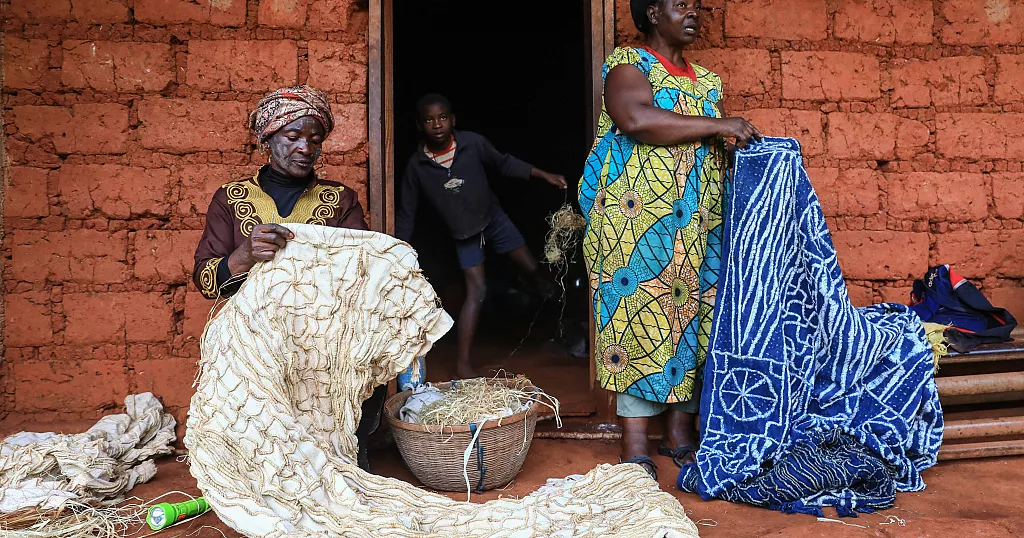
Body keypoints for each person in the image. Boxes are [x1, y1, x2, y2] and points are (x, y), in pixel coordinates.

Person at [578, 0, 761, 480]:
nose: (693, 12)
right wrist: (722, 125)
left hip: (700, 223)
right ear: (653, 14)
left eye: (696, 5)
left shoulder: (708, 81)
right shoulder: (628, 65)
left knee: (697, 318)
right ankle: (635, 443)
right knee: (637, 321)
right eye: (680, 4)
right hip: (634, 226)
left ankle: (680, 433)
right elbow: (636, 120)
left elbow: (711, 142)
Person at [191, 85, 386, 471]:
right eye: (293, 136)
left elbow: (364, 272)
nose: (305, 148)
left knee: (362, 361)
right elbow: (205, 280)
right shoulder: (230, 199)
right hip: (256, 339)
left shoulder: (340, 199)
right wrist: (244, 255)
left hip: (325, 337)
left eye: (314, 139)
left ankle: (345, 459)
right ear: (268, 139)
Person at [395, 94, 568, 380]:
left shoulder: (472, 144)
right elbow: (407, 213)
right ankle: (463, 363)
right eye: (428, 119)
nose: (436, 124)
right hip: (464, 235)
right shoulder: (417, 166)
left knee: (532, 267)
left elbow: (504, 163)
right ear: (419, 125)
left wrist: (544, 175)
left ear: (453, 120)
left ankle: (546, 299)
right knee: (477, 291)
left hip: (494, 220)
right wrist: (397, 251)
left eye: (442, 117)